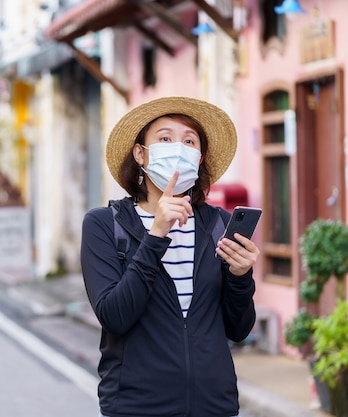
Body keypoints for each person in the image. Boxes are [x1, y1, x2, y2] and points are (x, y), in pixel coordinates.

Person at [80, 96, 259, 417]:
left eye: (189, 141)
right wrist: (156, 235)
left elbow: (238, 329)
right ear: (140, 153)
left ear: (200, 158)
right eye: (165, 138)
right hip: (137, 407)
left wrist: (241, 276)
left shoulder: (218, 224)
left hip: (214, 405)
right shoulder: (104, 225)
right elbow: (114, 316)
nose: (179, 148)